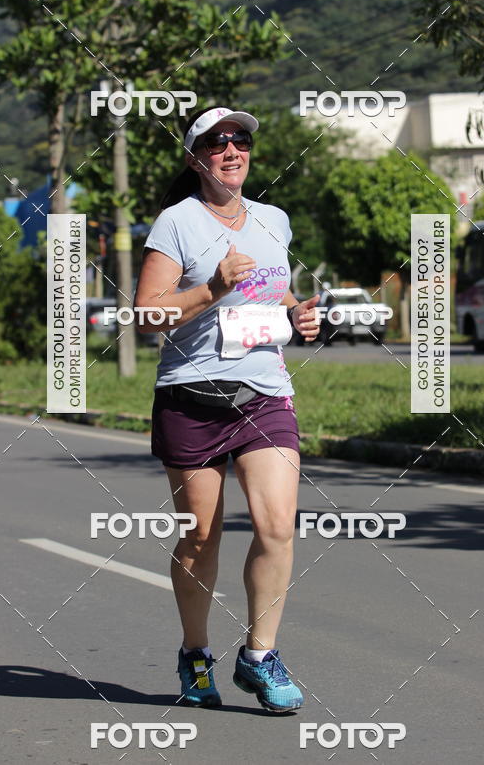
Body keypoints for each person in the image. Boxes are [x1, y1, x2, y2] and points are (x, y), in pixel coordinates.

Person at [134, 105, 320, 713]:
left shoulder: (273, 219)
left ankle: (260, 656)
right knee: (200, 538)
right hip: (192, 396)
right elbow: (146, 314)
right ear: (197, 159)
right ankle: (195, 652)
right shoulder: (177, 223)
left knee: (277, 526)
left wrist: (298, 314)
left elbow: (273, 292)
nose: (232, 150)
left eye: (240, 140)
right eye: (217, 143)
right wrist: (212, 287)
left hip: (264, 392)